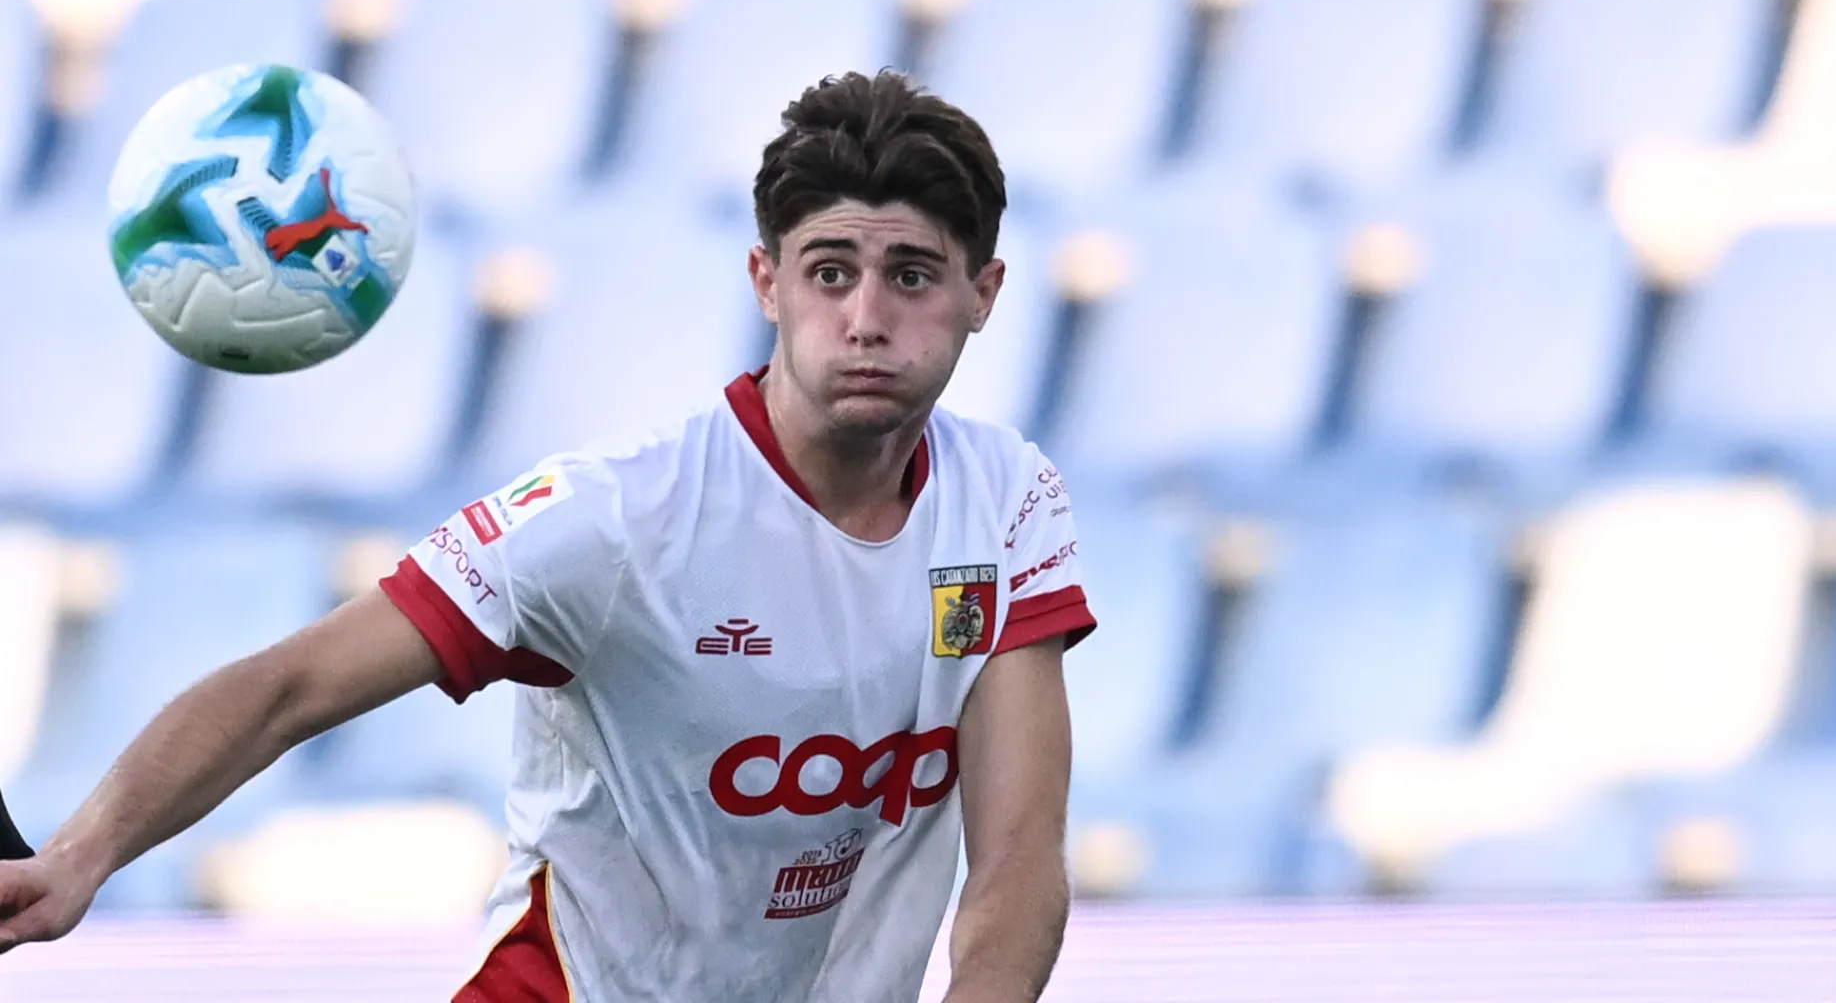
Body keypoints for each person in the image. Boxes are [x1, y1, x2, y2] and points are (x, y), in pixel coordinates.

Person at [0, 70, 1096, 1003]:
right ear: (767, 283)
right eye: (829, 272)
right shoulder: (615, 518)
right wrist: (79, 858)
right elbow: (291, 685)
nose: (865, 319)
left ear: (984, 292)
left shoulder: (1004, 502)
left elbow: (1014, 859)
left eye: (912, 276)